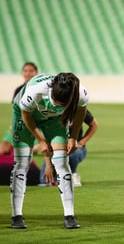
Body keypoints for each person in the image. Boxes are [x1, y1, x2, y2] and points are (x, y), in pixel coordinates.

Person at [10, 72, 88, 229]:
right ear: (51, 91)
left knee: (61, 162)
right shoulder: (36, 91)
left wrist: (73, 137)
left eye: (62, 105)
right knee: (22, 163)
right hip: (24, 116)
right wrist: (41, 140)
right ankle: (16, 215)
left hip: (54, 120)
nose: (57, 106)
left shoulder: (79, 93)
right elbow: (26, 115)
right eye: (55, 102)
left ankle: (69, 216)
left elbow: (81, 113)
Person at [38, 110, 98, 187]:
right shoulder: (51, 112)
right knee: (45, 182)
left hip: (76, 149)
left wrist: (82, 142)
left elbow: (94, 125)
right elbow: (45, 142)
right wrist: (48, 165)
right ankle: (60, 177)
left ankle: (73, 174)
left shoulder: (78, 109)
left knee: (72, 156)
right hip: (55, 151)